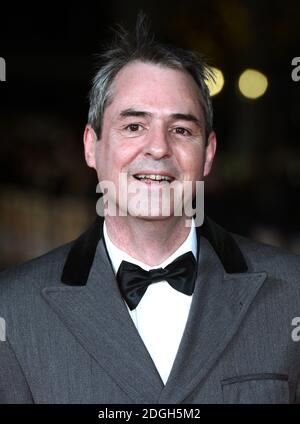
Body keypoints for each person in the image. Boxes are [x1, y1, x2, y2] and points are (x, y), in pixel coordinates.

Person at [0, 14, 300, 404]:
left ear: (207, 154)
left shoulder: (292, 292)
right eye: (134, 126)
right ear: (91, 146)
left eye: (181, 130)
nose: (158, 148)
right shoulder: (13, 309)